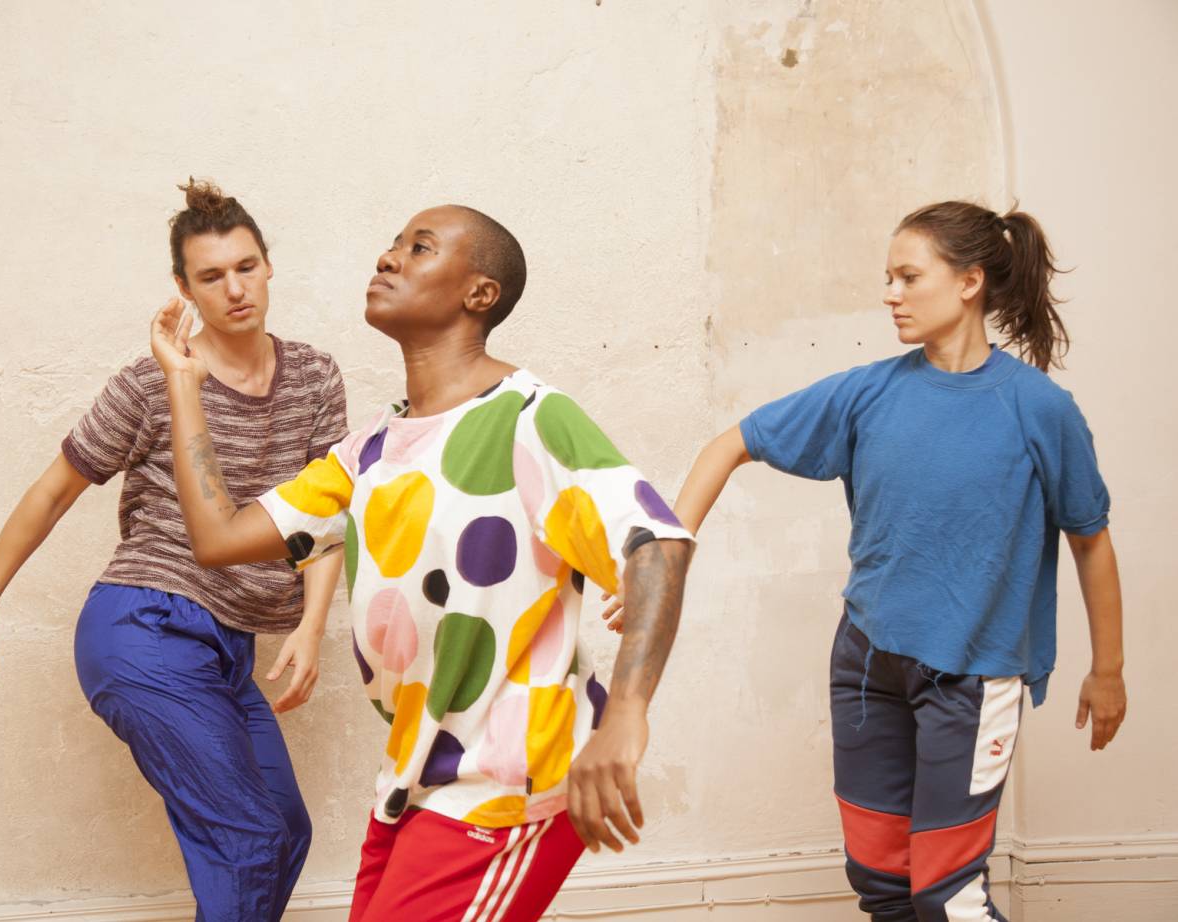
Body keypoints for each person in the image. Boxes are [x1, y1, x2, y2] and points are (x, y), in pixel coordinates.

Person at [151, 204, 695, 922]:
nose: (389, 257)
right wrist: (183, 381)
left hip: (511, 780)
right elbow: (218, 538)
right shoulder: (369, 449)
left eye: (420, 247)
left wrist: (624, 717)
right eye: (393, 243)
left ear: (479, 294)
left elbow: (658, 538)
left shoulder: (531, 418)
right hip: (415, 778)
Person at [658, 201, 1126, 921]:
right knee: (882, 885)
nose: (890, 294)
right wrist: (673, 555)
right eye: (888, 278)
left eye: (909, 276)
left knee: (946, 896)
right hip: (868, 665)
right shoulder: (867, 392)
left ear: (970, 282)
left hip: (971, 676)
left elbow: (1090, 540)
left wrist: (1108, 669)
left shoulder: (1039, 409)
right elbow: (729, 445)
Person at [0, 180, 347, 922]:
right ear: (183, 287)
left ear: (267, 266)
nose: (235, 288)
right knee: (248, 839)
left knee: (283, 832)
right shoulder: (152, 382)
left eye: (246, 267)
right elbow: (52, 492)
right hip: (144, 629)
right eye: (211, 276)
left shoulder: (315, 377)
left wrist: (311, 624)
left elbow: (325, 516)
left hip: (227, 650)